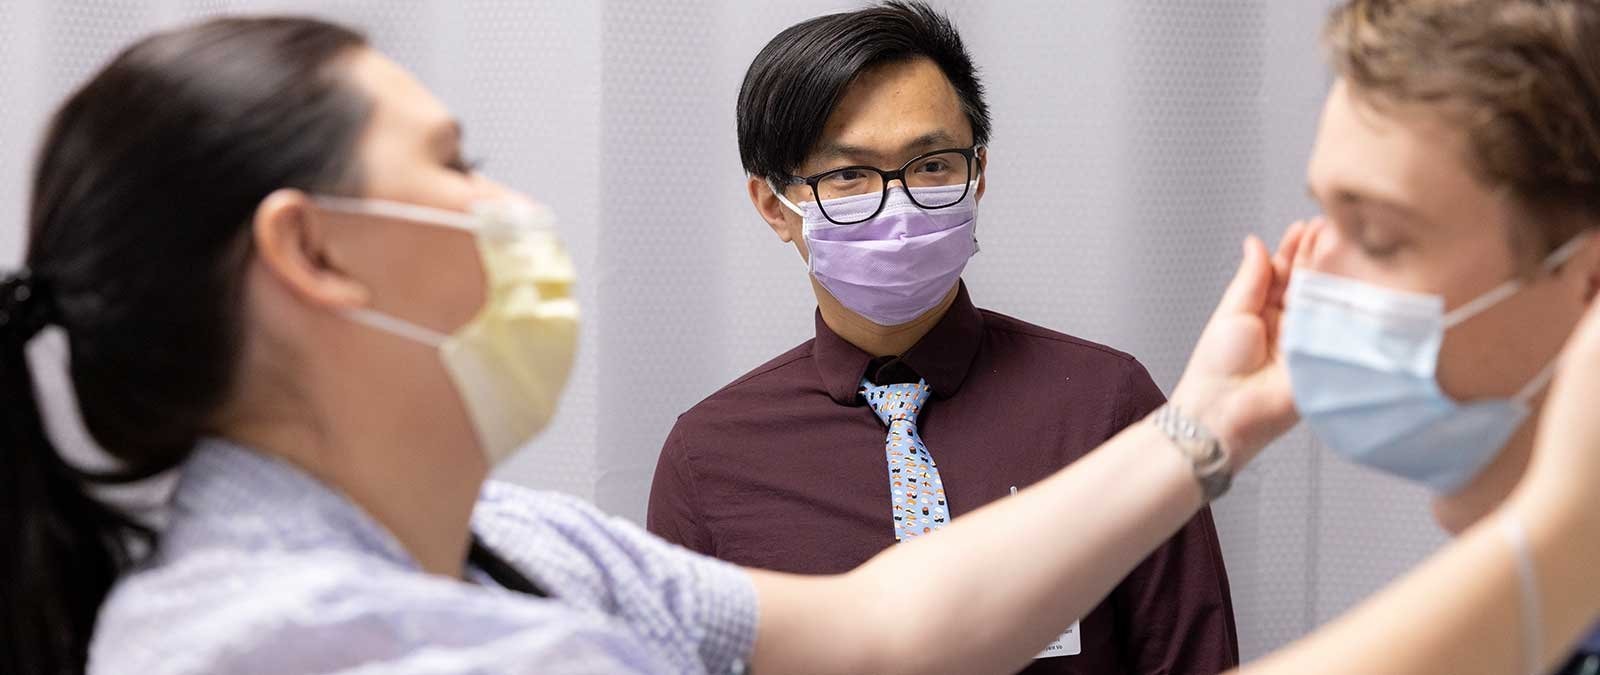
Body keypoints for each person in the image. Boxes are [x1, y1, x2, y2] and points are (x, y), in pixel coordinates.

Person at [3, 9, 1598, 675]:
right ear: (318, 252)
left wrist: (1200, 426)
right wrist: (1538, 559)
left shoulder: (506, 550)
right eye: (454, 162)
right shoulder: (297, 639)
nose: (508, 206)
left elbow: (888, 627)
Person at [646, 5, 1236, 671]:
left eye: (931, 165)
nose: (897, 205)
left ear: (977, 173)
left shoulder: (1107, 408)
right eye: (848, 176)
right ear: (773, 206)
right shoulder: (710, 459)